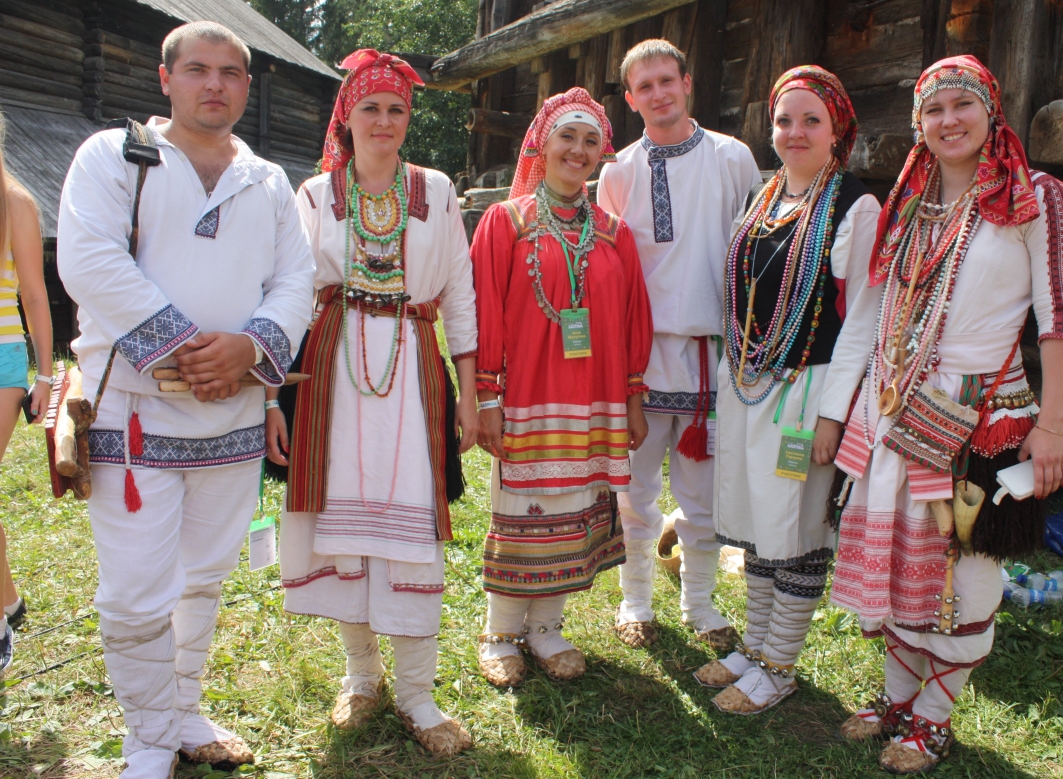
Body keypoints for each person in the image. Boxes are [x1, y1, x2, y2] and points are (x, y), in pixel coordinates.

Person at [56, 22, 313, 779]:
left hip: (231, 414)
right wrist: (183, 348)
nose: (215, 84)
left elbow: (295, 281)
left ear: (246, 86)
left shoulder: (267, 180)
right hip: (134, 410)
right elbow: (88, 258)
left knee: (204, 575)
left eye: (231, 73)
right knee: (136, 590)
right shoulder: (116, 155)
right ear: (165, 78)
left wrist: (250, 346)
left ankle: (185, 709)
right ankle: (146, 739)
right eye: (198, 70)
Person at [829, 55, 1063, 773]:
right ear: (919, 123)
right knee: (904, 553)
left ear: (990, 111)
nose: (949, 121)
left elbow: (1059, 315)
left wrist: (1053, 423)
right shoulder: (910, 202)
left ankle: (934, 716)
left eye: (963, 105)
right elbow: (880, 311)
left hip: (978, 412)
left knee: (964, 564)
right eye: (933, 110)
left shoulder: (1036, 196)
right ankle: (896, 696)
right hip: (897, 407)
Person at [268, 49, 477, 758]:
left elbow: (460, 294)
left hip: (413, 368)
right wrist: (273, 396)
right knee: (341, 525)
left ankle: (418, 691)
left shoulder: (439, 190)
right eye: (370, 108)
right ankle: (362, 676)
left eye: (396, 109)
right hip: (330, 372)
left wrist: (471, 392)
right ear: (346, 119)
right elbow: (291, 296)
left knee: (411, 530)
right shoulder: (313, 195)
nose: (384, 121)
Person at [693, 67, 882, 714]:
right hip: (751, 384)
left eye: (811, 120)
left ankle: (780, 664)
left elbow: (861, 320)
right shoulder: (764, 196)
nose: (794, 132)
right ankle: (753, 647)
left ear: (837, 131)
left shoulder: (856, 207)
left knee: (793, 526)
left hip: (807, 392)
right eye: (784, 120)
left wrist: (834, 416)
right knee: (754, 522)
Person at [472, 87, 653, 688]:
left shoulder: (613, 232)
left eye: (590, 141)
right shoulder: (508, 220)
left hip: (593, 399)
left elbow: (631, 319)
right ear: (542, 144)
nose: (578, 151)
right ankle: (500, 630)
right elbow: (484, 315)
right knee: (524, 505)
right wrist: (486, 395)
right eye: (567, 137)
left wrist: (631, 396)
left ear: (602, 153)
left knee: (574, 509)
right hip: (526, 394)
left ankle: (546, 627)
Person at [597, 39, 760, 650]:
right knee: (635, 491)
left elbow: (753, 250)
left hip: (711, 358)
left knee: (701, 494)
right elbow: (610, 267)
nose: (658, 94)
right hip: (640, 358)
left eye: (668, 80)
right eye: (645, 86)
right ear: (631, 98)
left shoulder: (731, 157)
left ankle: (700, 605)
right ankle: (636, 600)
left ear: (687, 82)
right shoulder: (618, 172)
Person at [0, 107, 54, 673]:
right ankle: (9, 600)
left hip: (3, 357)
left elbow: (35, 295)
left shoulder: (15, 201)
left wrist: (44, 373)